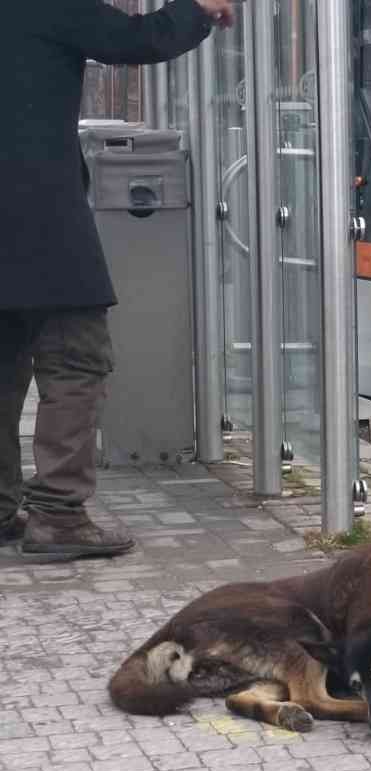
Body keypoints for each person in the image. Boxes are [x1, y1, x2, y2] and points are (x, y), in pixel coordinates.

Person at [2, 0, 235, 561]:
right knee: (76, 358)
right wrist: (199, 9)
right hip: (39, 216)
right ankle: (58, 513)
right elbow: (139, 39)